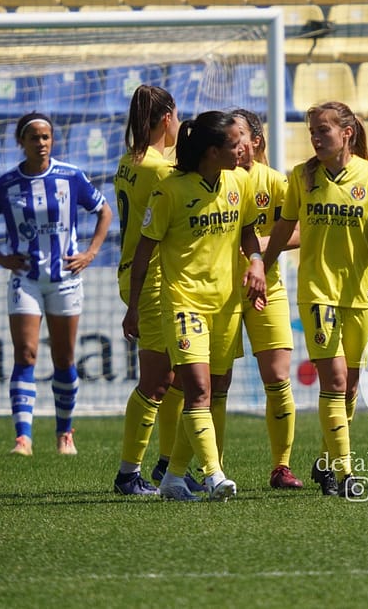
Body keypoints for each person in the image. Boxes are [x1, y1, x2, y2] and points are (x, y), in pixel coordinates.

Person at [122, 110, 265, 502]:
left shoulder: (239, 181)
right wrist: (133, 307)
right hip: (184, 302)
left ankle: (172, 478)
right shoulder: (170, 190)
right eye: (234, 144)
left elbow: (250, 234)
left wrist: (256, 264)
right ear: (211, 151)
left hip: (226, 304)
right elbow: (144, 251)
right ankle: (214, 474)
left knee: (215, 388)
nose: (243, 149)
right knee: (197, 389)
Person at [263, 101, 368, 498]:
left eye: (324, 131)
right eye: (313, 132)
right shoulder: (301, 177)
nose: (317, 138)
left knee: (351, 386)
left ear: (347, 133)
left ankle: (324, 461)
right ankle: (345, 473)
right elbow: (286, 225)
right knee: (335, 381)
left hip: (358, 293)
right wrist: (261, 264)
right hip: (318, 292)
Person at [0, 111, 112, 456]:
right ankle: (23, 438)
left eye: (46, 137)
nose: (41, 143)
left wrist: (90, 253)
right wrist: (1, 258)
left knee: (64, 358)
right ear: (22, 142)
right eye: (34, 137)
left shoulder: (70, 176)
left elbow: (104, 210)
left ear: (53, 141)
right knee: (26, 352)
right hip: (26, 280)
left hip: (65, 279)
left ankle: (65, 434)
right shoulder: (7, 184)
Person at [112, 85, 204, 496]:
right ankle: (128, 474)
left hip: (136, 272)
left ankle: (168, 466)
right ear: (167, 118)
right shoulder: (161, 171)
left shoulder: (128, 162)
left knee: (172, 375)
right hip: (148, 279)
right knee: (155, 380)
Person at [229, 107, 303, 490]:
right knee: (211, 382)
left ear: (254, 142)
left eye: (237, 134)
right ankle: (213, 468)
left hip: (267, 288)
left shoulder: (275, 182)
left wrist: (259, 245)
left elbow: (303, 230)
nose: (231, 141)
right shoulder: (213, 181)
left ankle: (281, 466)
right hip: (220, 292)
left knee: (277, 377)